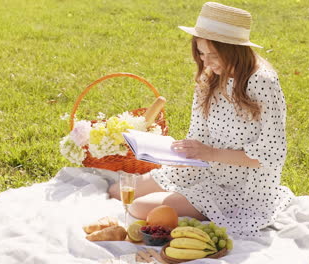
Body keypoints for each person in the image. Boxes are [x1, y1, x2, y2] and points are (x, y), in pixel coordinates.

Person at [109, 1, 294, 239]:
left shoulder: (262, 82)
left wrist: (210, 154)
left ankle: (208, 209)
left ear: (233, 50)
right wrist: (181, 154)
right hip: (201, 167)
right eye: (201, 53)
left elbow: (271, 155)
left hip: (239, 187)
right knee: (119, 191)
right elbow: (198, 133)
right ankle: (187, 196)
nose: (205, 62)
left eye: (212, 54)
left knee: (138, 207)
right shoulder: (210, 76)